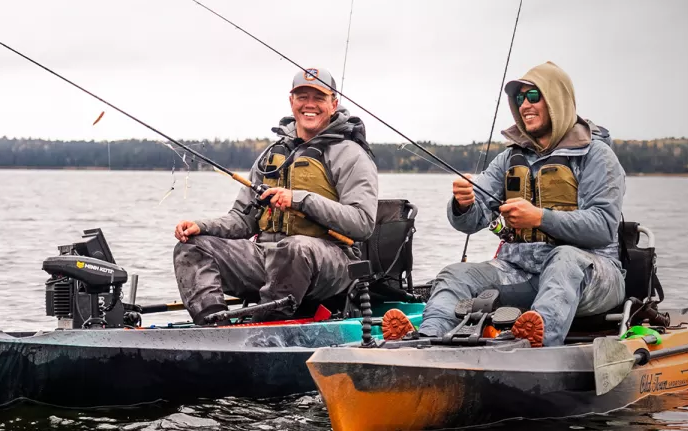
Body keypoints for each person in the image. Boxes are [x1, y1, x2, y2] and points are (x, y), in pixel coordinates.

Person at [381, 61, 625, 347]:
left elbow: (603, 227)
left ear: (557, 101)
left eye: (533, 96)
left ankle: (532, 345)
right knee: (455, 274)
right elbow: (469, 222)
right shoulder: (510, 158)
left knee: (565, 260)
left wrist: (539, 218)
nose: (524, 105)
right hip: (521, 271)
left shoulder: (597, 156)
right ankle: (423, 341)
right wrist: (463, 203)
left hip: (594, 276)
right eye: (519, 99)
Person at [172, 67, 378, 324]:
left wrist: (299, 199)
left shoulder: (351, 154)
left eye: (319, 98)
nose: (309, 105)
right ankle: (215, 326)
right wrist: (201, 227)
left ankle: (265, 324)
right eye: (302, 97)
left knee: (294, 248)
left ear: (334, 104)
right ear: (291, 102)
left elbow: (362, 223)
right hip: (268, 258)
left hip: (333, 264)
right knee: (192, 246)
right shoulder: (271, 154)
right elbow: (243, 220)